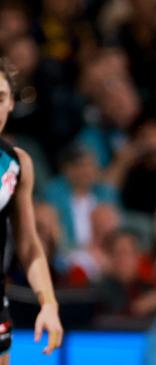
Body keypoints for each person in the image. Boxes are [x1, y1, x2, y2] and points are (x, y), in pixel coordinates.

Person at [0, 58, 63, 362]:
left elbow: (28, 243)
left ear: (11, 103)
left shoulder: (17, 163)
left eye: (0, 98)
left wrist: (48, 303)